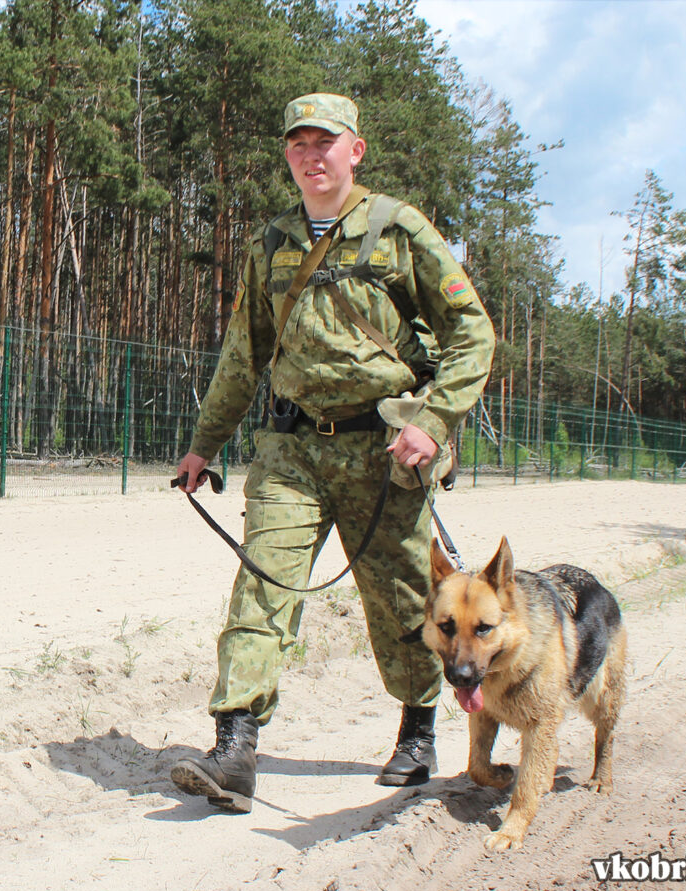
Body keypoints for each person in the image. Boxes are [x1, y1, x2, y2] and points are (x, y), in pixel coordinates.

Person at [170, 93, 495, 813]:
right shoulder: (272, 240)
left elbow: (474, 334)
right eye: (298, 145)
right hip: (290, 448)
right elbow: (242, 352)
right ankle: (234, 746)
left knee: (403, 601)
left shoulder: (400, 231)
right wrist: (204, 445)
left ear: (356, 150)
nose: (311, 156)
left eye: (326, 143)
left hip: (384, 453)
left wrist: (433, 423)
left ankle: (417, 729)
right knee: (263, 585)